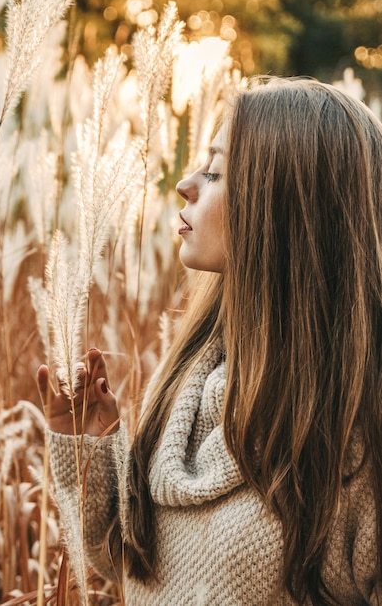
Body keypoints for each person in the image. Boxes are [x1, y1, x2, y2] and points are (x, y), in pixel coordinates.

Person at [37, 77, 382, 605]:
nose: (185, 184)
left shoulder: (357, 433)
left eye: (216, 172)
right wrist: (88, 450)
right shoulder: (185, 384)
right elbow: (129, 564)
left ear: (282, 206)